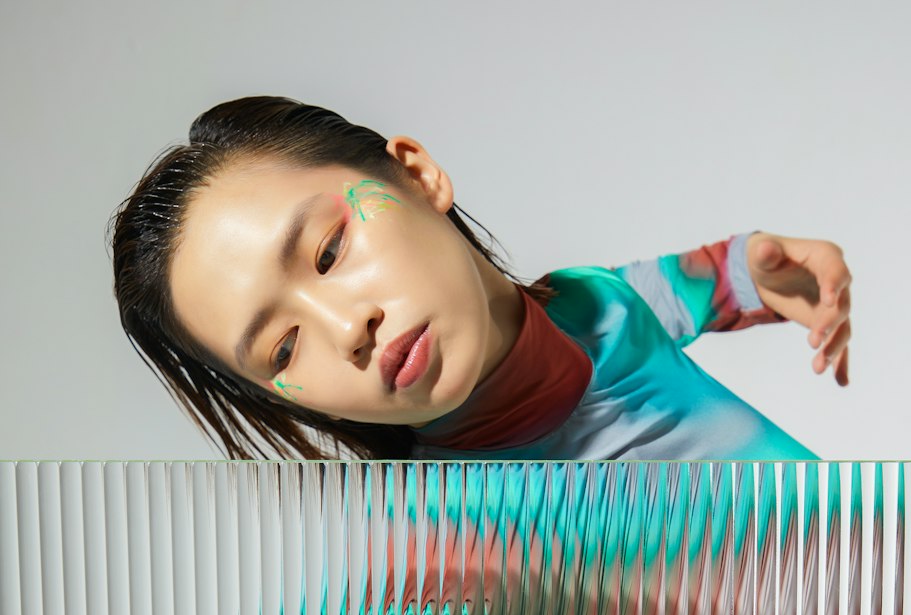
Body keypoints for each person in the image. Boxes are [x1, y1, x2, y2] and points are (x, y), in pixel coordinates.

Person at [109, 95, 852, 463]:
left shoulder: (597, 305)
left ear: (415, 174)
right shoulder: (438, 555)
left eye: (330, 251)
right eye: (281, 350)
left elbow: (662, 292)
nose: (346, 331)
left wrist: (752, 270)